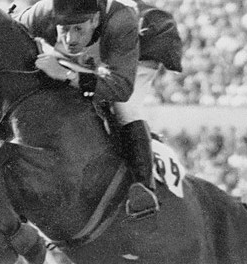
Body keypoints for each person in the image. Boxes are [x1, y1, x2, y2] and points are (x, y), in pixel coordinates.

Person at [16, 0, 159, 217]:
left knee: (124, 107)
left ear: (93, 19)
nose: (70, 39)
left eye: (78, 29)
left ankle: (144, 188)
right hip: (97, 53)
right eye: (64, 29)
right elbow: (9, 28)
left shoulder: (121, 21)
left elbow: (121, 87)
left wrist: (69, 76)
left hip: (143, 47)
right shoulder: (44, 11)